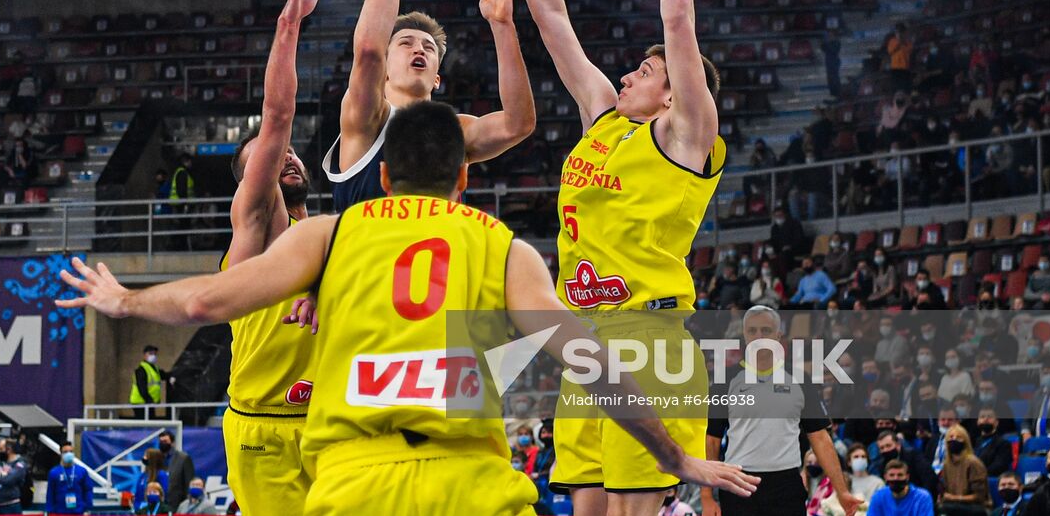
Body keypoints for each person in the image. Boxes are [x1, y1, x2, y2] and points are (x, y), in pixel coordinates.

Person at [57, 101, 759, 516]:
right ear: (462, 177)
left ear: (384, 176)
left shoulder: (328, 234)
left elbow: (207, 300)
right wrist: (675, 454)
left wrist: (124, 299)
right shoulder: (503, 246)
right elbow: (591, 359)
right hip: (471, 484)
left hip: (355, 482)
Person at [486, 0, 731, 515]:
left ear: (677, 94)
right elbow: (553, 19)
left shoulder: (686, 139)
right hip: (586, 342)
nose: (627, 75)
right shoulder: (604, 120)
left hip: (649, 339)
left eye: (645, 74)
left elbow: (677, 20)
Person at [321, 0, 535, 214]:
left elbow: (518, 123)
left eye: (429, 48)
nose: (418, 49)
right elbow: (367, 50)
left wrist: (503, 26)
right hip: (369, 264)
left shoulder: (455, 130)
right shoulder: (367, 119)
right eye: (405, 43)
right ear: (385, 70)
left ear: (437, 78)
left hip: (441, 264)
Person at [220, 0, 329, 516]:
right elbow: (278, 117)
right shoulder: (262, 225)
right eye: (266, 157)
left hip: (330, 422)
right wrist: (291, 22)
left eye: (290, 155)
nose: (285, 156)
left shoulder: (325, 233)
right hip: (267, 427)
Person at [704, 306, 860, 516]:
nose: (759, 337)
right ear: (744, 335)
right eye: (752, 331)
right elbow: (711, 440)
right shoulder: (725, 381)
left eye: (766, 331)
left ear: (778, 336)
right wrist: (706, 497)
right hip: (739, 483)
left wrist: (841, 491)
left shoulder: (800, 380)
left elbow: (820, 439)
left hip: (786, 483)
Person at [937, 426, 990, 516]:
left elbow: (979, 497)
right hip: (954, 506)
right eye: (951, 437)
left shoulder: (973, 462)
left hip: (975, 508)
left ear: (965, 441)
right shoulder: (946, 464)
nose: (954, 440)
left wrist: (954, 498)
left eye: (958, 437)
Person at [868, 459, 933, 516]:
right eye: (891, 475)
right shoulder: (878, 497)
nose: (896, 478)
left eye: (900, 475)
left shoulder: (922, 497)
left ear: (907, 477)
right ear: (885, 477)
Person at [0, 440, 29, 515]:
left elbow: (9, 480)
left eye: (1, 449)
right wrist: (1, 474)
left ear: (9, 449)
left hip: (11, 506)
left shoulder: (20, 464)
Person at [46, 442, 92, 515]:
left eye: (71, 451)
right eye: (65, 452)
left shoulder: (82, 471)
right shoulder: (54, 472)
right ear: (60, 454)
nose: (68, 454)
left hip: (79, 511)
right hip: (60, 512)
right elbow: (50, 493)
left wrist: (88, 509)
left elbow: (88, 490)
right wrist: (49, 511)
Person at [156, 431, 194, 512]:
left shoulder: (183, 458)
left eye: (165, 441)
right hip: (159, 504)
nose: (163, 444)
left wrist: (186, 504)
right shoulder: (157, 459)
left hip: (177, 504)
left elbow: (189, 482)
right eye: (161, 442)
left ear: (172, 443)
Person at [129, 345, 168, 420]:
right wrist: (149, 400)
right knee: (144, 425)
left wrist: (172, 376)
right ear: (144, 355)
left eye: (154, 354)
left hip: (148, 403)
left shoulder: (155, 368)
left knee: (150, 423)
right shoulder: (141, 370)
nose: (153, 356)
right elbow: (142, 388)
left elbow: (164, 375)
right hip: (140, 402)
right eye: (150, 354)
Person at [846, 444, 885, 510]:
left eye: (863, 457)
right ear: (849, 462)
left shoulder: (878, 482)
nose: (860, 459)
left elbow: (881, 505)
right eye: (856, 457)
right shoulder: (845, 481)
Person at [886, 25, 915, 93]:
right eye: (897, 32)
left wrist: (903, 43)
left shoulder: (908, 42)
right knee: (896, 89)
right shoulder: (892, 41)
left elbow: (909, 50)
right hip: (895, 69)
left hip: (905, 68)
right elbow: (891, 52)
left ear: (904, 33)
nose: (899, 34)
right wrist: (899, 44)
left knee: (906, 89)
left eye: (901, 32)